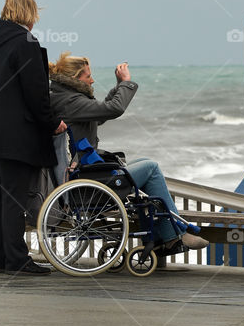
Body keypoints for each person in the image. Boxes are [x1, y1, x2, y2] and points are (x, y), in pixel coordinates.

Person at [48, 52, 208, 250]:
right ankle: (173, 235)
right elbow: (114, 109)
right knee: (150, 167)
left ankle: (167, 236)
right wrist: (125, 82)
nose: (92, 79)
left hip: (85, 174)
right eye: (88, 75)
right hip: (88, 181)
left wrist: (117, 86)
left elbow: (99, 114)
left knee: (145, 162)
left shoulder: (64, 97)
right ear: (75, 78)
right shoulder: (70, 101)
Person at [0, 0, 67, 275]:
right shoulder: (25, 43)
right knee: (14, 197)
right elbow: (36, 94)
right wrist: (53, 123)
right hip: (15, 135)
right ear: (29, 14)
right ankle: (17, 259)